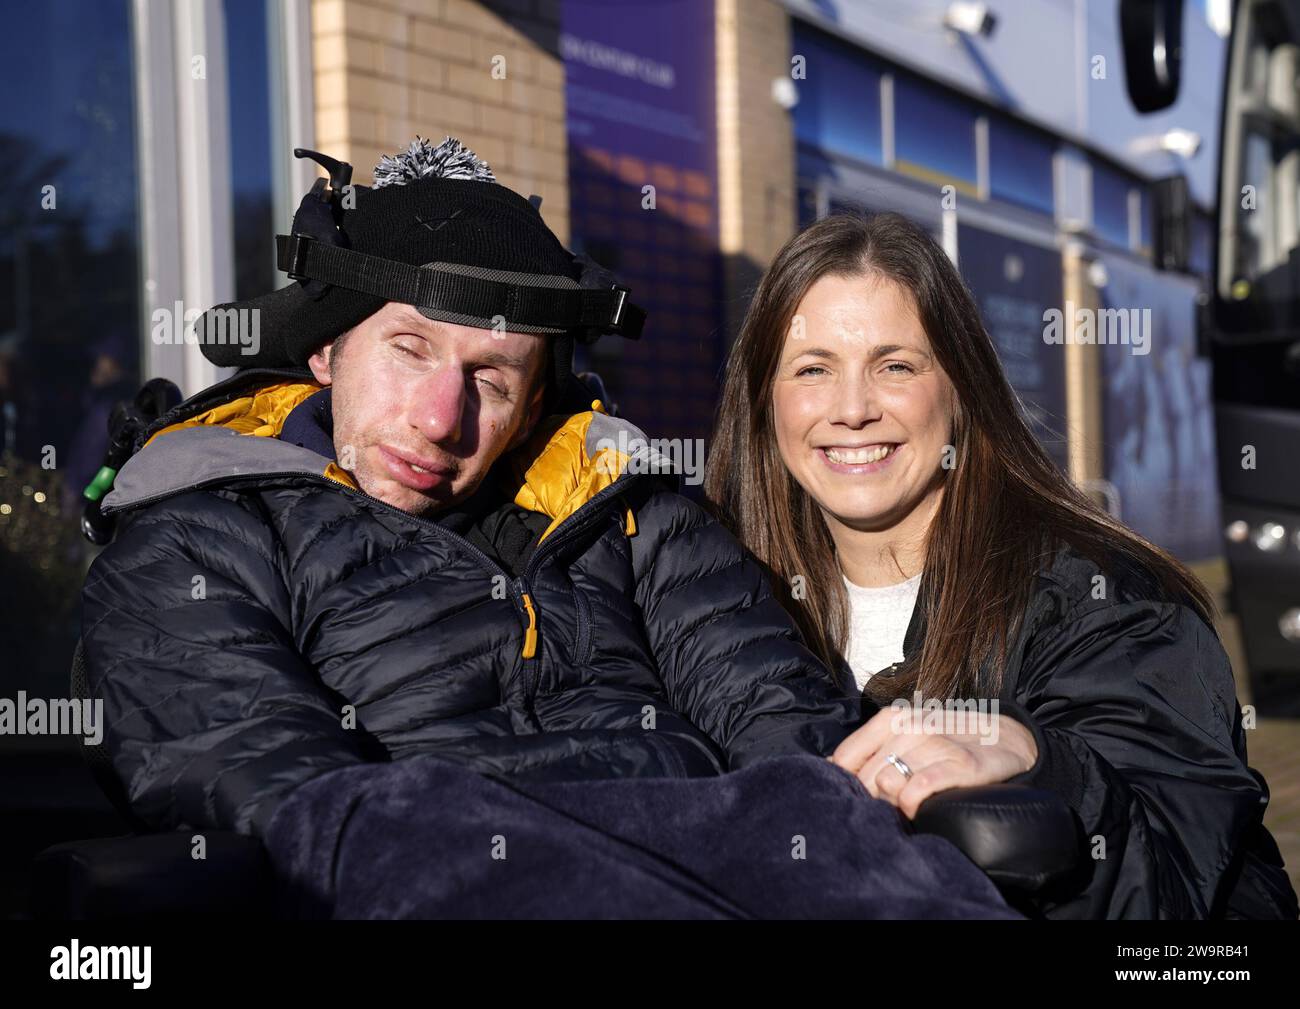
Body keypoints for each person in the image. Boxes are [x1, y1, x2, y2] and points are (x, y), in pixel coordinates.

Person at [79, 140, 1025, 919]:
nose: (441, 417)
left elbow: (790, 734)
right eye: (410, 349)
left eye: (491, 380)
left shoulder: (633, 516)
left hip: (734, 857)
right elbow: (292, 805)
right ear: (326, 348)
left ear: (534, 403)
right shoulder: (195, 537)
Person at [704, 210, 1298, 920]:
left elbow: (1170, 887)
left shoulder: (1107, 603)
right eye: (813, 369)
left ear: (960, 388)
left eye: (895, 365)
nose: (852, 408)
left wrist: (1046, 765)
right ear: (765, 400)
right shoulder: (717, 599)